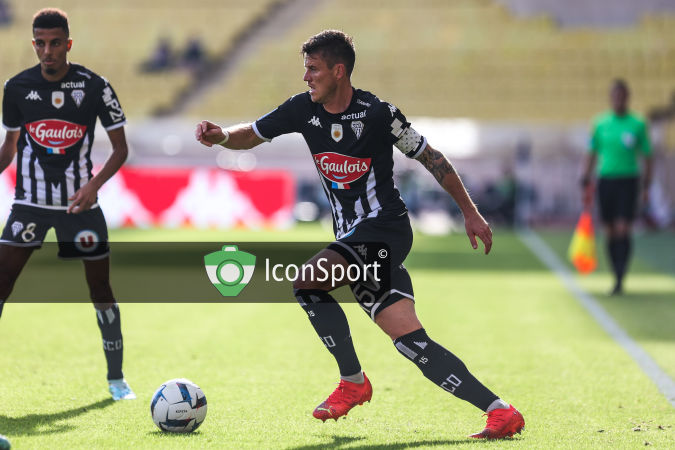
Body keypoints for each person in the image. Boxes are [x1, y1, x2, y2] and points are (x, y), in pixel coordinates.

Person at [195, 30, 524, 439]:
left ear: (339, 71)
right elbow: (253, 134)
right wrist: (222, 136)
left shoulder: (379, 114)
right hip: (354, 240)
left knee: (307, 281)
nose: (306, 77)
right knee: (411, 342)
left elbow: (431, 157)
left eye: (313, 69)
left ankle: (352, 381)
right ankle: (500, 411)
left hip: (385, 229)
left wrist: (470, 212)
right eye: (305, 69)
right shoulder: (302, 109)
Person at [0, 8, 135, 401]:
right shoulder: (16, 88)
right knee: (1, 282)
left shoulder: (95, 87)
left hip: (80, 206)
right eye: (41, 43)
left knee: (100, 288)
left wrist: (93, 186)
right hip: (30, 204)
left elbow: (120, 149)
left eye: (55, 43)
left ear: (68, 44)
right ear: (33, 45)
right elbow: (9, 148)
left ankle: (116, 379)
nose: (48, 51)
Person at [581, 79, 653, 295]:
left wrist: (647, 184)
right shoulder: (600, 124)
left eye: (622, 96)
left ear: (627, 97)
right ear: (611, 98)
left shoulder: (638, 124)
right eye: (615, 96)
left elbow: (647, 155)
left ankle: (621, 276)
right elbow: (592, 152)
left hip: (628, 181)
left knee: (623, 228)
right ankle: (615, 273)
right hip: (606, 180)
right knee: (610, 230)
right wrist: (585, 176)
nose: (618, 99)